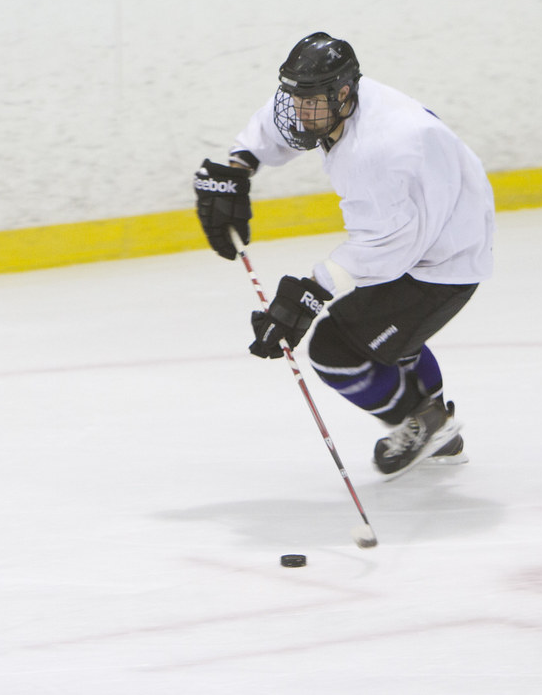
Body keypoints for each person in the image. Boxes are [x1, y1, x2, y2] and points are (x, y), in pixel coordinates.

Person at [195, 32, 495, 476]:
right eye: (294, 97)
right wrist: (240, 166)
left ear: (343, 93)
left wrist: (311, 292)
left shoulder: (380, 149)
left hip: (443, 260)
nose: (298, 110)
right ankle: (437, 428)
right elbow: (277, 122)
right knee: (390, 338)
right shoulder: (332, 101)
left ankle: (423, 423)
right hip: (431, 228)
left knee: (337, 349)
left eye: (310, 101)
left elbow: (384, 248)